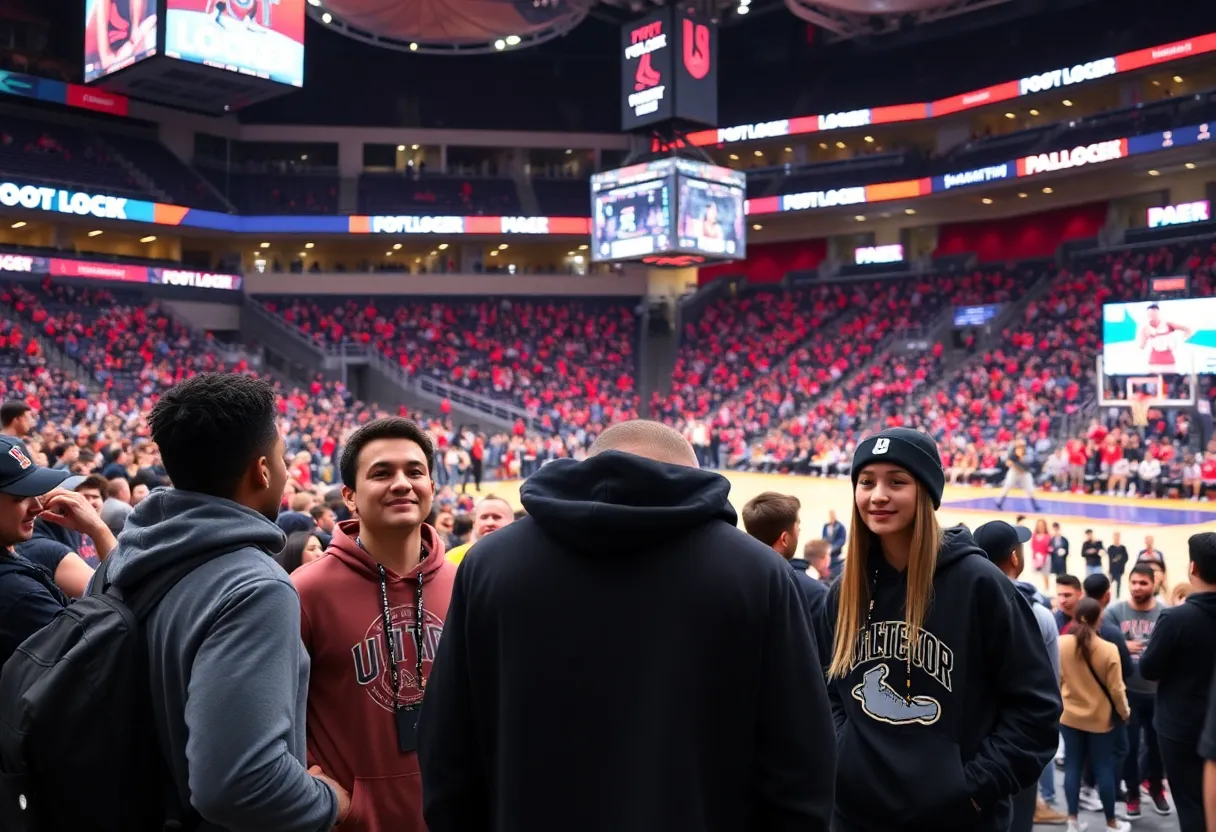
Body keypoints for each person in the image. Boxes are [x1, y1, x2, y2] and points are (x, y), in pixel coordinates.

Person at [418, 420, 836, 831]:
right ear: (689, 476)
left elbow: (448, 745)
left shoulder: (489, 563)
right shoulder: (759, 571)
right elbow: (800, 757)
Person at [97, 374, 348, 830]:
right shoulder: (256, 587)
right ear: (263, 470)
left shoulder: (125, 555)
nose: (288, 469)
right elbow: (237, 785)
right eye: (283, 456)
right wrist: (327, 802)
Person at [820, 428, 1059, 832]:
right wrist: (847, 759)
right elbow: (828, 691)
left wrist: (970, 788)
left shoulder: (980, 584)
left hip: (955, 818)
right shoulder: (844, 591)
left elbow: (1035, 710)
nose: (877, 495)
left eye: (897, 481)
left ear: (927, 491)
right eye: (866, 482)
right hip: (857, 815)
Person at [293, 417, 455, 832]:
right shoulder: (304, 591)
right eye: (382, 473)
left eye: (415, 472)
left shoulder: (465, 583)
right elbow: (271, 715)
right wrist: (311, 791)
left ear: (432, 489)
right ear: (350, 496)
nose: (402, 483)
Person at [972, 520, 1068, 829]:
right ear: (1015, 557)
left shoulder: (961, 602)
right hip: (1016, 742)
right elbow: (1049, 688)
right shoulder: (1039, 614)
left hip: (973, 739)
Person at [0, 436, 107, 667]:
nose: (37, 507)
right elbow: (100, 657)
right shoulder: (19, 594)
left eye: (35, 494)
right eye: (20, 498)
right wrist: (99, 531)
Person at [1140, 532, 1216, 831]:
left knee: (1190, 804)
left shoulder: (1175, 619)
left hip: (1180, 727)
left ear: (1192, 568)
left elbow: (1148, 668)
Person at [1058, 598, 1132, 832]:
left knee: (1072, 767)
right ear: (1098, 618)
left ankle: (1072, 822)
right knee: (1104, 769)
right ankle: (1111, 823)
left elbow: (1057, 679)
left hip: (1069, 716)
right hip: (1100, 720)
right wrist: (1125, 712)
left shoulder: (1061, 644)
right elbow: (1117, 689)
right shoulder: (1108, 649)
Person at [1104, 564, 1167, 818]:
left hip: (1158, 693)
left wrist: (1135, 645)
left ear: (1153, 584)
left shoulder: (1165, 613)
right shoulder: (1115, 611)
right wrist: (1122, 645)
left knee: (1156, 746)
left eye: (1143, 583)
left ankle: (1156, 788)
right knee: (1129, 747)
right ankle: (1132, 793)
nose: (1137, 587)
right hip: (1127, 692)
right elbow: (1104, 646)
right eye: (1134, 582)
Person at [742, 491, 828, 623]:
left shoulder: (732, 582)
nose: (799, 530)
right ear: (784, 539)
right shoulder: (813, 593)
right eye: (797, 525)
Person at [445, 494, 514, 566]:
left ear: (513, 522)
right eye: (484, 517)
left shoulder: (522, 557)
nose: (489, 523)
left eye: (497, 517)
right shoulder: (453, 557)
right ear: (474, 523)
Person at [1136, 303, 1193, 371]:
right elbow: (1141, 346)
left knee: (1170, 380)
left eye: (1154, 314)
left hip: (1168, 360)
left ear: (1158, 314)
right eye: (1150, 315)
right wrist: (1145, 336)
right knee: (1154, 379)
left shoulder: (1168, 324)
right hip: (1154, 361)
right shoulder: (1145, 328)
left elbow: (1188, 329)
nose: (1152, 317)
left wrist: (1182, 340)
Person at [995, 439, 1041, 511]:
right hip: (1014, 472)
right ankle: (999, 502)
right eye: (1018, 447)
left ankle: (1035, 505)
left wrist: (1017, 463)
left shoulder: (1027, 455)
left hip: (1024, 473)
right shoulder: (1012, 454)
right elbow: (1008, 463)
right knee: (1007, 486)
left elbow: (1026, 467)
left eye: (1021, 447)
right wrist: (1014, 465)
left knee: (1030, 489)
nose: (1019, 449)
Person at [1031, 519, 1053, 591]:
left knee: (1045, 575)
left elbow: (1050, 547)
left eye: (1042, 525)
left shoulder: (1048, 536)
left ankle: (1046, 590)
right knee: (1036, 575)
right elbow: (1033, 546)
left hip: (1046, 558)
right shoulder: (1034, 535)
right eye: (1039, 525)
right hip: (1036, 557)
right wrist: (1036, 556)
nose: (1040, 527)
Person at [823, 509, 847, 573]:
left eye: (832, 516)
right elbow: (824, 538)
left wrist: (832, 548)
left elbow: (842, 540)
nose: (831, 517)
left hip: (837, 554)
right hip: (828, 555)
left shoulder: (840, 526)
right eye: (830, 516)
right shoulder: (826, 526)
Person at [1108, 532, 1129, 598]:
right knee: (1110, 585)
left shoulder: (1123, 548)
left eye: (1117, 536)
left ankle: (1117, 597)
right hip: (1112, 569)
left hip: (1120, 569)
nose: (1116, 538)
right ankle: (1109, 597)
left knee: (1118, 585)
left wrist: (1121, 562)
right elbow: (1110, 557)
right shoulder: (1110, 548)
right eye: (1115, 536)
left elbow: (1126, 558)